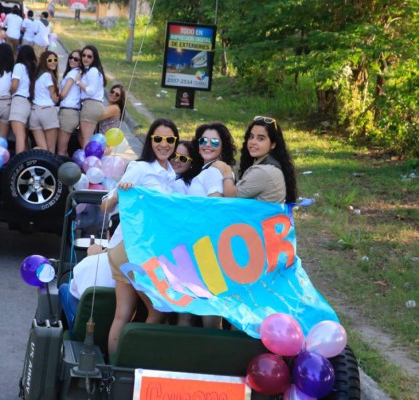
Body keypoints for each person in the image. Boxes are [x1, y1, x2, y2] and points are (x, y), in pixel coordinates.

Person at [103, 118, 179, 356]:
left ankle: (118, 364)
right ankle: (131, 359)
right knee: (158, 309)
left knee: (124, 313)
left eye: (169, 139)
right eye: (158, 139)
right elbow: (105, 205)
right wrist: (119, 193)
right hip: (129, 250)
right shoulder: (140, 168)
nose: (163, 144)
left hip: (140, 250)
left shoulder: (171, 174)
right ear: (150, 141)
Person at [181, 122, 237, 328]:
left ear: (223, 146)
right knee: (191, 310)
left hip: (206, 249)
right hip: (196, 247)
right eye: (203, 140)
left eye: (215, 142)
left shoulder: (213, 171)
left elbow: (215, 206)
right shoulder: (208, 170)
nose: (208, 145)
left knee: (209, 311)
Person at [213, 116, 298, 204]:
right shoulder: (269, 164)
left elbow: (231, 197)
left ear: (273, 144)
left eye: (260, 139)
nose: (253, 142)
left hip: (261, 218)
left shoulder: (263, 172)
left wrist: (226, 171)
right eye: (251, 137)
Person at [58, 214, 120, 331]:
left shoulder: (89, 263)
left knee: (64, 288)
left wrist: (92, 259)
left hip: (87, 330)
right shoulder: (143, 267)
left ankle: (69, 331)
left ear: (108, 236)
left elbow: (76, 291)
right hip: (118, 327)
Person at [75, 45, 106, 149]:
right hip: (93, 105)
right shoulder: (91, 70)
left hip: (91, 105)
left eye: (89, 56)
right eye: (83, 55)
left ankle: (87, 162)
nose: (85, 58)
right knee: (82, 136)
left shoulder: (93, 71)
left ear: (94, 58)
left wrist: (78, 82)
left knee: (86, 139)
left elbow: (90, 91)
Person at [29, 50, 59, 153]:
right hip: (47, 111)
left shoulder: (37, 76)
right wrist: (62, 95)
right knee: (50, 151)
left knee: (42, 150)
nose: (53, 62)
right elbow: (54, 98)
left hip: (34, 111)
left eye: (55, 59)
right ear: (44, 61)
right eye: (50, 60)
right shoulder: (48, 75)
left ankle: (30, 156)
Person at [9, 45, 36, 154]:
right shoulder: (33, 68)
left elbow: (14, 85)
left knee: (19, 136)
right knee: (24, 135)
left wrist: (10, 91)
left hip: (19, 102)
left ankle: (18, 161)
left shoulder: (19, 66)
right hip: (28, 103)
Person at [57, 49, 82, 157]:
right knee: (62, 149)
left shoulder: (73, 73)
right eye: (71, 57)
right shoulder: (76, 73)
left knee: (61, 150)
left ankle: (66, 173)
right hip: (71, 113)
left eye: (76, 59)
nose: (72, 60)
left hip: (68, 112)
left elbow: (63, 94)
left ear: (80, 62)